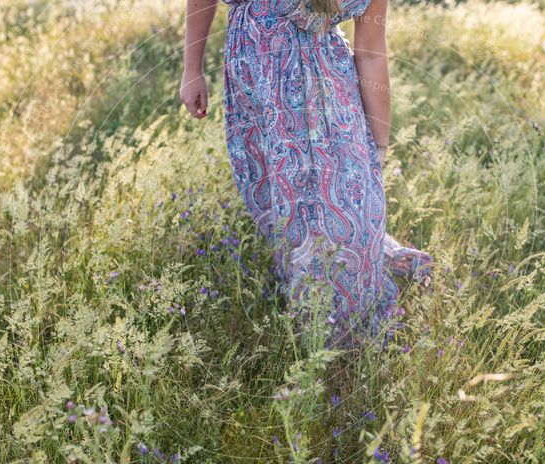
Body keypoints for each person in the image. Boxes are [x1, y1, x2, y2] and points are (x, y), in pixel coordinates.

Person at [180, 0, 432, 348]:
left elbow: (371, 50)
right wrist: (191, 69)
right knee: (287, 211)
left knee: (354, 214)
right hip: (259, 85)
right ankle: (308, 310)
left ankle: (348, 329)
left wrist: (379, 147)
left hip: (328, 86)